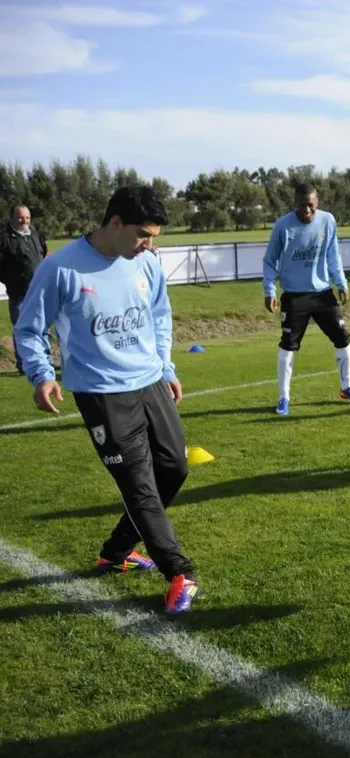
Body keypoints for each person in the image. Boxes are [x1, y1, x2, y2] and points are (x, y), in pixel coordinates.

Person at [13, 185, 200, 616]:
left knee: (174, 467)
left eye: (154, 237)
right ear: (115, 224)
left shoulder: (146, 265)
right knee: (140, 487)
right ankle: (180, 572)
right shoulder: (61, 268)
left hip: (150, 382)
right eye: (143, 235)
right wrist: (42, 375)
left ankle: (116, 551)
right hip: (102, 395)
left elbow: (158, 318)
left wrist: (167, 368)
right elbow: (29, 329)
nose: (149, 246)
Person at [263, 182, 350, 414]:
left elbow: (333, 255)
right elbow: (270, 261)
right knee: (288, 346)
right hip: (294, 296)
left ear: (317, 201)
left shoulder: (327, 221)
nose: (306, 211)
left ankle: (346, 387)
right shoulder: (283, 226)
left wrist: (341, 283)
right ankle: (283, 398)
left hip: (323, 294)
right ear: (295, 204)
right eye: (301, 206)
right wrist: (269, 290)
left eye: (310, 205)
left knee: (342, 338)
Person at [0, 204, 51, 374]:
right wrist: (9, 281)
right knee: (21, 329)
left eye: (27, 217)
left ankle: (46, 360)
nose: (25, 221)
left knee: (43, 327)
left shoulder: (36, 235)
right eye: (21, 217)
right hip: (18, 293)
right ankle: (23, 365)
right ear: (12, 218)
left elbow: (43, 254)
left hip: (39, 292)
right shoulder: (4, 238)